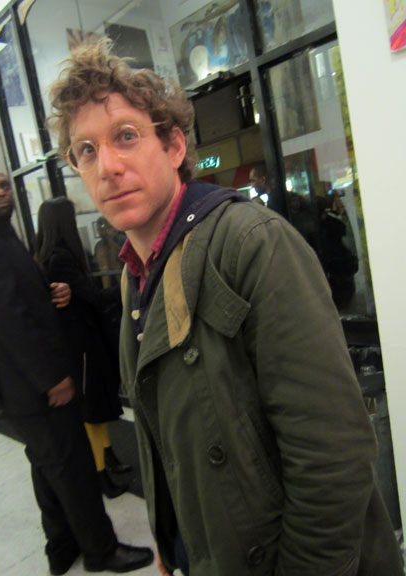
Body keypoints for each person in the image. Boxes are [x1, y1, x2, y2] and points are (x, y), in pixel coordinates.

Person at [48, 40, 403, 576]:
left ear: (173, 145)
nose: (108, 166)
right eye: (86, 150)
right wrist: (170, 539)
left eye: (126, 136)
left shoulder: (251, 243)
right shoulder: (134, 274)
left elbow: (334, 454)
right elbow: (163, 433)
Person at [0, 165, 153, 575]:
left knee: (47, 467)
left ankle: (61, 547)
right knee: (73, 470)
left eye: (4, 185)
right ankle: (101, 550)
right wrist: (50, 378)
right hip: (32, 386)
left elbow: (19, 297)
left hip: (27, 386)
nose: (1, 192)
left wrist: (50, 289)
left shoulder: (3, 238)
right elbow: (8, 320)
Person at [35, 197, 132, 499]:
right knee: (93, 411)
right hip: (82, 347)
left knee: (97, 408)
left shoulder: (50, 257)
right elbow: (91, 296)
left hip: (81, 345)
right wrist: (126, 287)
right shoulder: (61, 259)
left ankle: (108, 458)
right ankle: (100, 474)